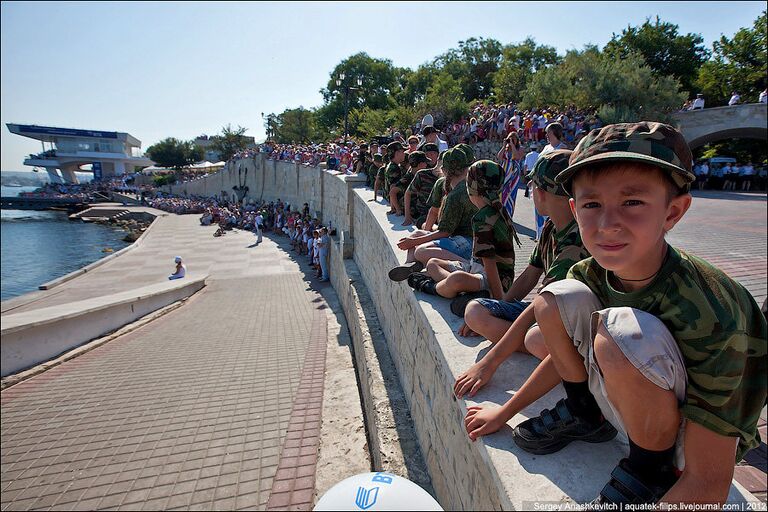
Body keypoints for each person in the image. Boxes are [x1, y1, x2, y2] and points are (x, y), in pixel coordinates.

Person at [505, 122, 765, 506]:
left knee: (620, 332)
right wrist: (505, 411)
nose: (608, 224)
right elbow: (564, 360)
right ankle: (586, 416)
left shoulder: (713, 310)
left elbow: (709, 481)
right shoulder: (589, 273)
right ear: (575, 210)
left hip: (690, 437)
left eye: (632, 202)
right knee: (554, 299)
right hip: (635, 401)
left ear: (673, 211)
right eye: (592, 205)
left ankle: (649, 468)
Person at [455, 151, 590, 404]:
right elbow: (529, 275)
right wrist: (501, 306)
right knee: (476, 312)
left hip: (565, 322)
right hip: (548, 314)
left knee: (536, 339)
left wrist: (491, 360)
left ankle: (550, 353)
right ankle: (522, 340)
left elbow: (544, 304)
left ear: (540, 193)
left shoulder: (576, 241)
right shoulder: (552, 226)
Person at [388, 145, 478, 281]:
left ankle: (470, 266)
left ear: (444, 170)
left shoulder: (456, 194)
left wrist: (414, 242)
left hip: (467, 243)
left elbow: (444, 232)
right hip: (460, 239)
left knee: (421, 250)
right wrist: (415, 239)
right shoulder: (467, 186)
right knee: (417, 234)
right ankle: (410, 265)